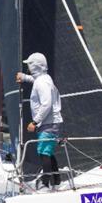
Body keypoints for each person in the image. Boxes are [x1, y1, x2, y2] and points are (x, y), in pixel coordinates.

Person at [16, 52, 64, 191]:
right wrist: (24, 77)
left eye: (30, 66)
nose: (29, 68)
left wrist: (35, 122)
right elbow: (35, 80)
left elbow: (47, 104)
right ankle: (56, 180)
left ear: (35, 66)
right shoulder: (44, 78)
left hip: (49, 123)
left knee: (43, 152)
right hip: (52, 123)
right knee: (48, 151)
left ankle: (45, 183)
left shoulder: (41, 83)